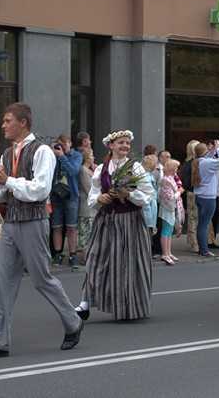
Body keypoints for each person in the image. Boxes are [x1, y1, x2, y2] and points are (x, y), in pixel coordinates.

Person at [0, 102, 83, 359]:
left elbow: (40, 190)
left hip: (33, 221)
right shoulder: (6, 154)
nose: (3, 125)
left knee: (42, 279)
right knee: (2, 282)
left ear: (22, 122)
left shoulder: (41, 150)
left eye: (8, 120)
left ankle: (73, 322)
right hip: (10, 223)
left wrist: (7, 180)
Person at [77, 130, 154, 321]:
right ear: (111, 145)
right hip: (106, 220)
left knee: (128, 264)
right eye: (121, 142)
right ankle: (84, 302)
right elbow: (93, 194)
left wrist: (128, 195)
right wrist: (99, 198)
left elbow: (148, 193)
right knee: (96, 259)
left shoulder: (135, 167)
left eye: (127, 143)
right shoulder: (101, 168)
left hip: (129, 220)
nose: (125, 146)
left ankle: (128, 307)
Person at [50, 134, 83, 267]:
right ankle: (58, 254)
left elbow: (73, 171)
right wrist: (53, 155)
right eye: (60, 145)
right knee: (56, 227)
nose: (63, 147)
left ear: (70, 143)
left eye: (65, 144)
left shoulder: (77, 156)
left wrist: (62, 157)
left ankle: (73, 255)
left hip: (71, 195)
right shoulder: (54, 157)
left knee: (71, 227)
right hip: (56, 195)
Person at [193, 141, 219, 259]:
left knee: (201, 224)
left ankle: (202, 249)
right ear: (204, 152)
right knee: (204, 225)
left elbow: (210, 160)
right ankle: (204, 250)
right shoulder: (206, 162)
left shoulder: (199, 161)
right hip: (208, 198)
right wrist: (218, 149)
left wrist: (211, 151)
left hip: (200, 196)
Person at [158, 159, 183, 265]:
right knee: (166, 231)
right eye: (176, 167)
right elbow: (169, 197)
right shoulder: (165, 180)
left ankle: (168, 252)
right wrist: (179, 192)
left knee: (169, 231)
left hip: (171, 208)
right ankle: (165, 253)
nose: (177, 169)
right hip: (167, 208)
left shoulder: (170, 178)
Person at [77, 148, 97, 264]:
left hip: (91, 207)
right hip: (86, 206)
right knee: (85, 231)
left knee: (90, 231)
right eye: (91, 155)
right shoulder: (83, 170)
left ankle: (89, 254)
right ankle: (85, 256)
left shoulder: (89, 171)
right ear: (86, 158)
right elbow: (89, 188)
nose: (93, 158)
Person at [181, 140, 201, 253]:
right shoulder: (195, 163)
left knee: (192, 218)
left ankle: (194, 243)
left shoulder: (186, 163)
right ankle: (195, 243)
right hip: (195, 191)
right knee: (196, 219)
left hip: (190, 192)